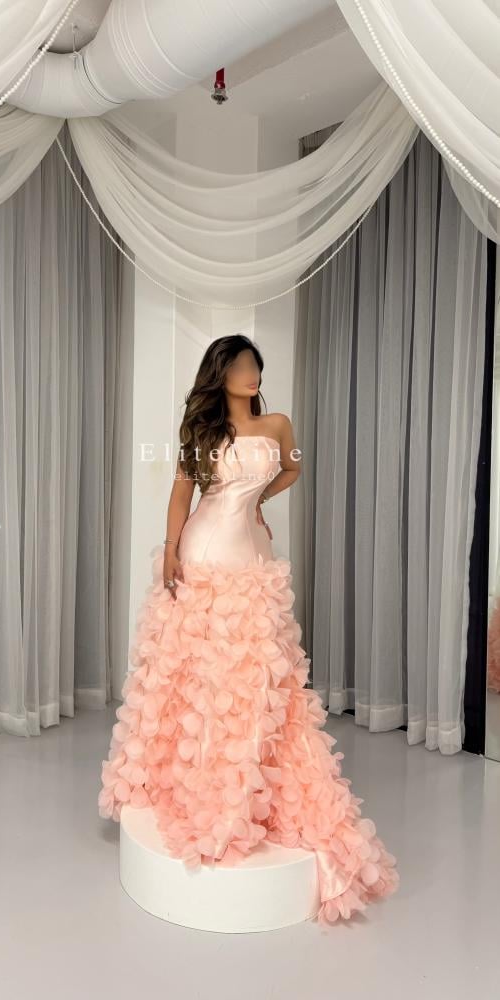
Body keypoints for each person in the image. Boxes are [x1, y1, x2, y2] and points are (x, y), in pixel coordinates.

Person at [98, 333, 399, 926]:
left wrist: (258, 497)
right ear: (220, 373)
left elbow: (293, 467)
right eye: (237, 365)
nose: (249, 372)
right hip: (205, 549)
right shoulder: (201, 430)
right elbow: (181, 492)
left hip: (253, 551)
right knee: (203, 667)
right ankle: (198, 774)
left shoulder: (278, 424)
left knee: (255, 673)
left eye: (254, 364)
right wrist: (169, 548)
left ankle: (245, 777)